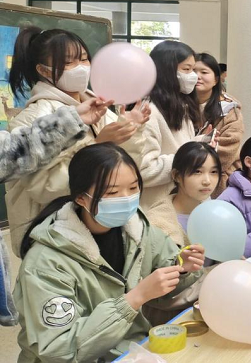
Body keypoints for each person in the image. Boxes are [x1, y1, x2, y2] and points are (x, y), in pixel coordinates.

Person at [13, 143, 205, 362]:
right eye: (112, 192)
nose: (126, 199)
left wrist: (181, 268)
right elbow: (59, 349)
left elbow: (165, 282)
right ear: (81, 198)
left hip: (129, 351)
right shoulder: (45, 262)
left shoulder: (137, 229)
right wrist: (134, 298)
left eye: (133, 188)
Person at [5, 27, 148, 256]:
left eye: (83, 59)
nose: (81, 67)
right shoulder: (34, 118)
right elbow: (44, 187)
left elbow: (130, 167)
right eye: (68, 62)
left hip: (103, 228)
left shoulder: (98, 106)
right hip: (55, 236)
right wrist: (98, 146)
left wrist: (130, 131)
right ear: (43, 70)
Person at [0, 97, 119, 327]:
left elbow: (13, 151)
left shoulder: (97, 110)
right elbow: (43, 183)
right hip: (52, 232)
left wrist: (72, 120)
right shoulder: (35, 112)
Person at [139, 41, 201, 211]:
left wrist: (200, 144)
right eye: (186, 69)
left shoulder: (179, 106)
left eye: (193, 69)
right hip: (158, 208)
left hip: (180, 203)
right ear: (167, 71)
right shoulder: (149, 113)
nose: (193, 76)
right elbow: (144, 171)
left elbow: (178, 146)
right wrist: (186, 159)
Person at [146, 142, 221, 247]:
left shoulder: (215, 214)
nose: (207, 181)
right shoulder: (157, 221)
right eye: (197, 171)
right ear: (176, 176)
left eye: (213, 172)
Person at [195, 52, 244, 197]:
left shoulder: (229, 109)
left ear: (216, 79)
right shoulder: (178, 107)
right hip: (183, 181)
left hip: (220, 182)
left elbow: (228, 148)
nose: (197, 76)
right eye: (192, 71)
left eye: (204, 72)